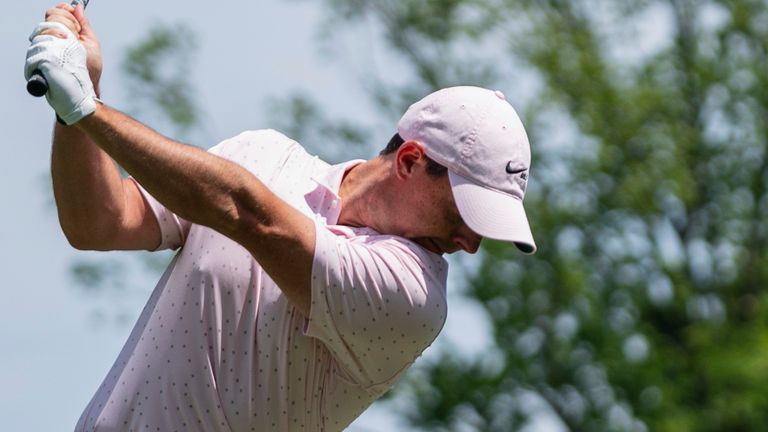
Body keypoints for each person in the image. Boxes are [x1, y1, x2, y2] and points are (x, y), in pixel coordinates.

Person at [25, 3, 536, 431]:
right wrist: (74, 101)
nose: (470, 243)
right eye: (464, 214)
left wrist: (88, 110)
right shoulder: (264, 154)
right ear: (409, 161)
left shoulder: (413, 297)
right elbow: (100, 224)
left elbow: (247, 213)